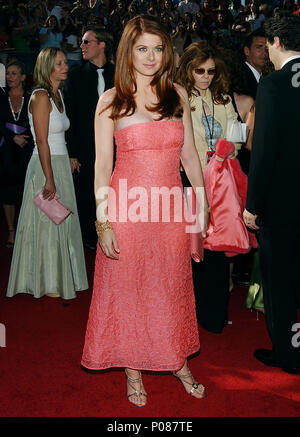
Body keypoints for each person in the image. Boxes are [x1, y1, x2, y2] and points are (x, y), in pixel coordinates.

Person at [81, 15, 209, 407]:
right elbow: (102, 167)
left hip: (169, 211)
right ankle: (133, 369)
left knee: (169, 287)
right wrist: (103, 221)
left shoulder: (178, 95)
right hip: (127, 210)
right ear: (128, 53)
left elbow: (189, 157)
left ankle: (176, 359)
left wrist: (200, 207)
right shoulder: (111, 100)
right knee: (130, 288)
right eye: (142, 48)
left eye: (157, 48)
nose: (151, 56)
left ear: (166, 52)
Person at [7, 47, 88, 300]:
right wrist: (49, 178)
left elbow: (60, 135)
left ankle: (60, 276)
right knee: (46, 223)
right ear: (47, 67)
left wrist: (69, 158)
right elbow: (41, 141)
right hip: (45, 165)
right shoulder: (41, 96)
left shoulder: (58, 94)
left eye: (65, 62)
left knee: (61, 221)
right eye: (60, 63)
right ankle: (46, 280)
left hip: (60, 162)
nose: (65, 66)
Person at [243, 13, 300, 375]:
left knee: (280, 282)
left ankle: (289, 354)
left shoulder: (274, 84)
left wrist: (252, 205)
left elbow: (262, 150)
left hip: (282, 205)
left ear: (277, 43)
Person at [176, 41, 240, 334]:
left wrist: (229, 149)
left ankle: (213, 314)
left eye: (211, 71)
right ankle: (186, 313)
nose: (206, 76)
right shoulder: (178, 99)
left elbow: (236, 138)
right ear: (188, 70)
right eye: (199, 70)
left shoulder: (224, 99)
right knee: (190, 247)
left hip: (221, 184)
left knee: (215, 250)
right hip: (190, 181)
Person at [64, 26, 115, 251]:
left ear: (102, 45)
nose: (82, 47)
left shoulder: (119, 73)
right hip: (85, 146)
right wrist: (72, 152)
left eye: (87, 42)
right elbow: (71, 115)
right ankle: (89, 238)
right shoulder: (75, 75)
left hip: (116, 146)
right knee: (86, 192)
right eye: (82, 42)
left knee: (113, 190)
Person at [0, 61, 34, 248]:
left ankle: (26, 229)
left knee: (27, 190)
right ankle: (11, 231)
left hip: (27, 149)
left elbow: (37, 120)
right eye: (8, 74)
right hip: (6, 149)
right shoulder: (1, 96)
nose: (9, 77)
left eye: (14, 73)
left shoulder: (31, 98)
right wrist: (13, 137)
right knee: (7, 191)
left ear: (23, 77)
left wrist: (24, 137)